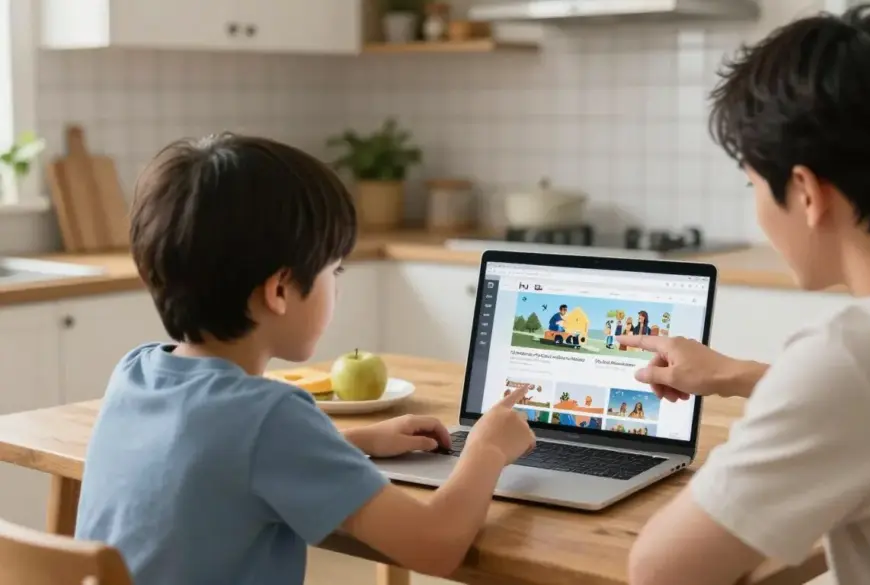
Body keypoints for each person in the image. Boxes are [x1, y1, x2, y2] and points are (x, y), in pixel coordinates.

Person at [619, 6, 870, 585]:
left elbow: (661, 572)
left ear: (807, 192)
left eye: (753, 185)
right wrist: (737, 374)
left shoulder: (854, 357)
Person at [74, 134, 536, 585]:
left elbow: (224, 463)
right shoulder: (270, 419)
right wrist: (487, 448)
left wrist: (352, 443)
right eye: (334, 270)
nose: (337, 287)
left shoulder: (136, 371)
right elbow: (435, 545)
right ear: (279, 290)